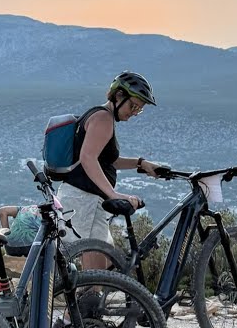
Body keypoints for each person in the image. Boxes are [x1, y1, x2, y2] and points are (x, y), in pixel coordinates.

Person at [56, 71, 162, 270]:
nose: (134, 112)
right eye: (133, 106)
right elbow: (88, 158)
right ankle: (41, 298)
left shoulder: (100, 117)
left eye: (139, 109)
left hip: (87, 200)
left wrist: (141, 163)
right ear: (118, 96)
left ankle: (91, 297)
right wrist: (113, 194)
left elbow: (108, 161)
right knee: (69, 257)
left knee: (100, 261)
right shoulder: (103, 119)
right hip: (83, 199)